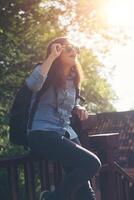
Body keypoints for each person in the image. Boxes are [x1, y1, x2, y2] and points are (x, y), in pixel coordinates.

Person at [26, 37, 101, 200]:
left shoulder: (73, 80)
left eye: (76, 48)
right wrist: (51, 56)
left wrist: (78, 108)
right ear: (57, 50)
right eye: (68, 48)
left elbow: (67, 105)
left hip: (65, 134)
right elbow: (33, 85)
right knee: (92, 163)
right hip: (42, 134)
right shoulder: (44, 71)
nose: (74, 51)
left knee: (84, 188)